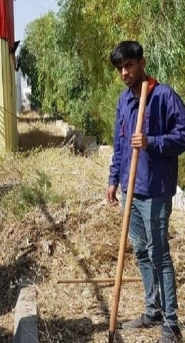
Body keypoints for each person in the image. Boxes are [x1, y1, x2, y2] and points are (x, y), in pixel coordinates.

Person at [106, 41, 185, 343]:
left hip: (155, 189)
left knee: (159, 253)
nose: (124, 72)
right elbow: (119, 146)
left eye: (128, 65)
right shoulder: (124, 102)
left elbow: (183, 135)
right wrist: (114, 180)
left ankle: (171, 322)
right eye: (119, 68)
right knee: (140, 251)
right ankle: (152, 309)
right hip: (130, 190)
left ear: (141, 63)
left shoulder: (163, 96)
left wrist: (152, 142)